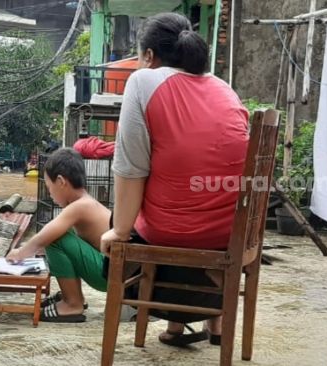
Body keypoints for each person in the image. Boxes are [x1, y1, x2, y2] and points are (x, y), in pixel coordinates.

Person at [100, 13, 249, 347]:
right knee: (178, 193)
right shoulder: (224, 88)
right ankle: (212, 323)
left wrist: (119, 230)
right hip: (231, 235)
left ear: (149, 56)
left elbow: (131, 167)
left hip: (175, 233)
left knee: (126, 228)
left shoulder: (142, 81)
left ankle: (177, 322)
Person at [6, 148, 111, 322]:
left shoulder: (80, 206)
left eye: (49, 187)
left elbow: (45, 236)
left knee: (54, 238)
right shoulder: (85, 203)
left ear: (61, 181)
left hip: (109, 275)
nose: (49, 193)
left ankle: (72, 303)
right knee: (61, 233)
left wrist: (20, 253)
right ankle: (74, 297)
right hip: (111, 270)